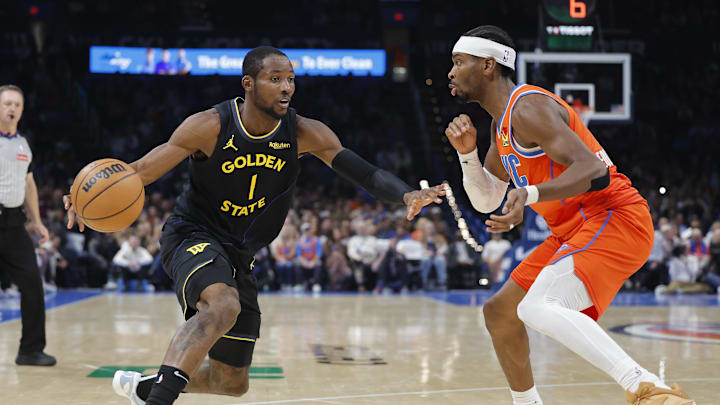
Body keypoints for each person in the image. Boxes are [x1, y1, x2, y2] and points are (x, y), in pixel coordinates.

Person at [64, 46, 443, 405]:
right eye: (276, 79)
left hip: (240, 253)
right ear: (248, 83)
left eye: (291, 79)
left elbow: (363, 171)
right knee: (222, 305)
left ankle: (147, 386)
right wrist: (84, 197)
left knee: (231, 382)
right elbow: (141, 172)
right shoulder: (208, 126)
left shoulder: (305, 133)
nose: (287, 88)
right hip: (192, 235)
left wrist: (406, 194)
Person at [444, 26, 695, 404]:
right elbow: (486, 201)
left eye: (459, 62)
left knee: (537, 306)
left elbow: (594, 172)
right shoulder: (500, 127)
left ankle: (647, 387)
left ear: (488, 66)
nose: (450, 72)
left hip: (614, 215)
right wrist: (467, 156)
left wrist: (529, 194)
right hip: (572, 231)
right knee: (500, 312)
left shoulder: (528, 107)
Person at [0, 84, 55, 366]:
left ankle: (30, 350)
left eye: (17, 105)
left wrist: (36, 221)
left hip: (12, 223)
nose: (12, 109)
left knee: (33, 284)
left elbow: (29, 182)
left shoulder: (23, 143)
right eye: (7, 103)